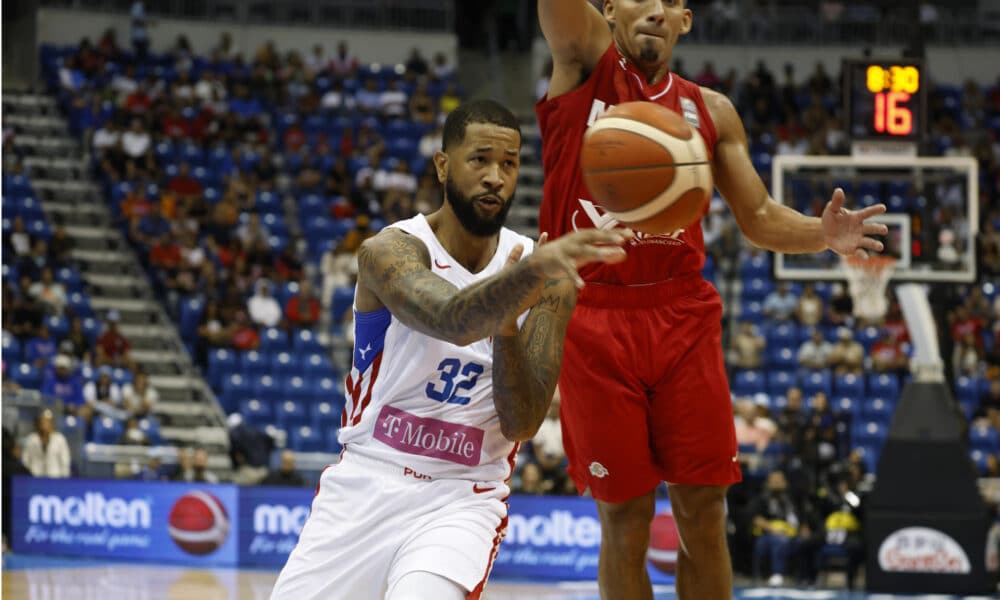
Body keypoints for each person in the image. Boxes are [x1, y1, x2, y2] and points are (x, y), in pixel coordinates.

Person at [535, 2, 889, 598]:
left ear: (685, 20)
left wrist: (823, 235)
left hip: (681, 316)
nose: (653, 8)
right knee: (624, 521)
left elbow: (756, 215)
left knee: (704, 511)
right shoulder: (583, 62)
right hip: (593, 312)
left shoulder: (710, 110)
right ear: (610, 9)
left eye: (668, 0)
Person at [271, 100, 631, 600]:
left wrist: (507, 328)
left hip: (462, 497)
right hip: (367, 478)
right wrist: (513, 288)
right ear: (443, 165)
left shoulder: (544, 276)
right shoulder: (390, 251)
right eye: (479, 160)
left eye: (509, 164)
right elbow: (451, 319)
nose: (495, 177)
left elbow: (523, 423)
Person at [21, 409, 72, 478]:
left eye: (47, 421)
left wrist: (64, 479)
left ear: (52, 423)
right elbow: (25, 460)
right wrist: (26, 475)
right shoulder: (31, 439)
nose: (44, 424)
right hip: (34, 476)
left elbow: (65, 461)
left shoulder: (60, 439)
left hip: (55, 477)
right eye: (42, 421)